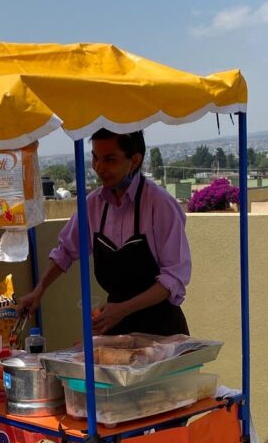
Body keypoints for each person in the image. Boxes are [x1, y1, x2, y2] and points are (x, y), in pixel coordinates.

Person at [18, 129, 191, 336]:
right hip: (115, 327)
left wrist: (122, 310)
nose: (99, 168)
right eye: (95, 158)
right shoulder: (93, 205)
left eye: (109, 159)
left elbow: (174, 278)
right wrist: (39, 290)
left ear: (134, 161)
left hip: (162, 331)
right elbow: (65, 251)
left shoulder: (160, 205)